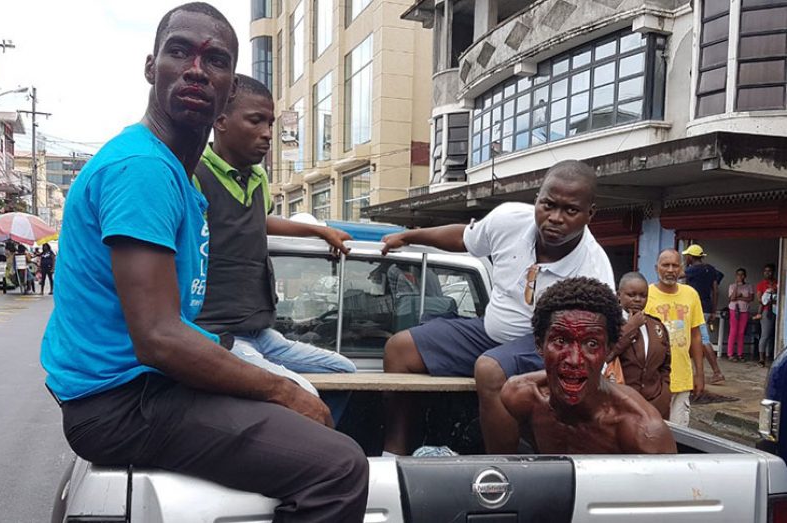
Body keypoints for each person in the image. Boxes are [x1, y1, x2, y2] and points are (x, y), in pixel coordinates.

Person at [39, 4, 368, 521]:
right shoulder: (143, 169)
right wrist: (281, 388)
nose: (196, 68)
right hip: (122, 403)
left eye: (214, 59)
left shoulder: (176, 176)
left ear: (225, 88)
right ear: (151, 68)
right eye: (179, 52)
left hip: (140, 388)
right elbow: (160, 337)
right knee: (341, 466)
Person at [380, 159, 614, 455]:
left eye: (570, 210)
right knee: (399, 349)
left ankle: (501, 470)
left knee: (490, 369)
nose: (555, 218)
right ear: (536, 200)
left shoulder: (594, 269)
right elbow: (464, 238)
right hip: (490, 334)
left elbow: (597, 341)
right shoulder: (509, 220)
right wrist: (409, 236)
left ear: (589, 214)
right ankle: (394, 453)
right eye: (548, 205)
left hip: (547, 346)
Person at [193, 74, 356, 421]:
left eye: (270, 123)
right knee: (304, 397)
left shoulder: (257, 177)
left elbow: (260, 221)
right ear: (220, 122)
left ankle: (326, 449)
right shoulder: (195, 175)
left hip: (260, 331)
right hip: (216, 335)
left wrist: (319, 232)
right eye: (256, 121)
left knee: (344, 371)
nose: (268, 133)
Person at [500, 277, 676, 454]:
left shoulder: (642, 431)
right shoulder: (520, 397)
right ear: (539, 345)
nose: (574, 360)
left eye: (591, 343)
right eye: (561, 341)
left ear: (609, 350)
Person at [645, 249, 705, 427]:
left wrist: (699, 374)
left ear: (681, 269)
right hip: (653, 382)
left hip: (682, 380)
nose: (670, 270)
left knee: (679, 438)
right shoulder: (645, 295)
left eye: (675, 265)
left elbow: (695, 336)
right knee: (653, 435)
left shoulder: (691, 294)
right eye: (665, 265)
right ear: (657, 268)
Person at [604, 272, 671, 419]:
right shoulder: (609, 325)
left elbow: (665, 366)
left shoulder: (656, 326)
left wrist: (665, 394)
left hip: (655, 406)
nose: (638, 300)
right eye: (631, 294)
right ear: (618, 295)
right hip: (620, 405)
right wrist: (630, 327)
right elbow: (606, 356)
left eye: (643, 295)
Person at [681, 244, 725, 384]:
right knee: (694, 339)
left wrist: (682, 265)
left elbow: (676, 275)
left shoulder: (692, 270)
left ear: (690, 257)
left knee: (703, 339)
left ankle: (717, 372)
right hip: (706, 307)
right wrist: (713, 309)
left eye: (686, 256)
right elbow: (715, 290)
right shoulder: (711, 269)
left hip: (694, 309)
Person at [727, 267, 754, 362]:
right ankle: (730, 354)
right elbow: (732, 298)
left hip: (744, 310)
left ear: (745, 276)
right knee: (733, 331)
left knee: (741, 332)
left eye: (742, 274)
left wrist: (740, 298)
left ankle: (740, 353)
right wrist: (737, 287)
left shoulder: (749, 286)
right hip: (734, 309)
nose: (740, 276)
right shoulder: (732, 286)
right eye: (738, 274)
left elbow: (750, 298)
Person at [754, 263, 779, 367]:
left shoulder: (778, 283)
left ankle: (774, 356)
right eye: (765, 271)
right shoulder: (761, 284)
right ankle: (761, 358)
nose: (767, 273)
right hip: (766, 310)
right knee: (765, 334)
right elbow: (760, 299)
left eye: (769, 271)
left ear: (773, 272)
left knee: (776, 335)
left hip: (778, 309)